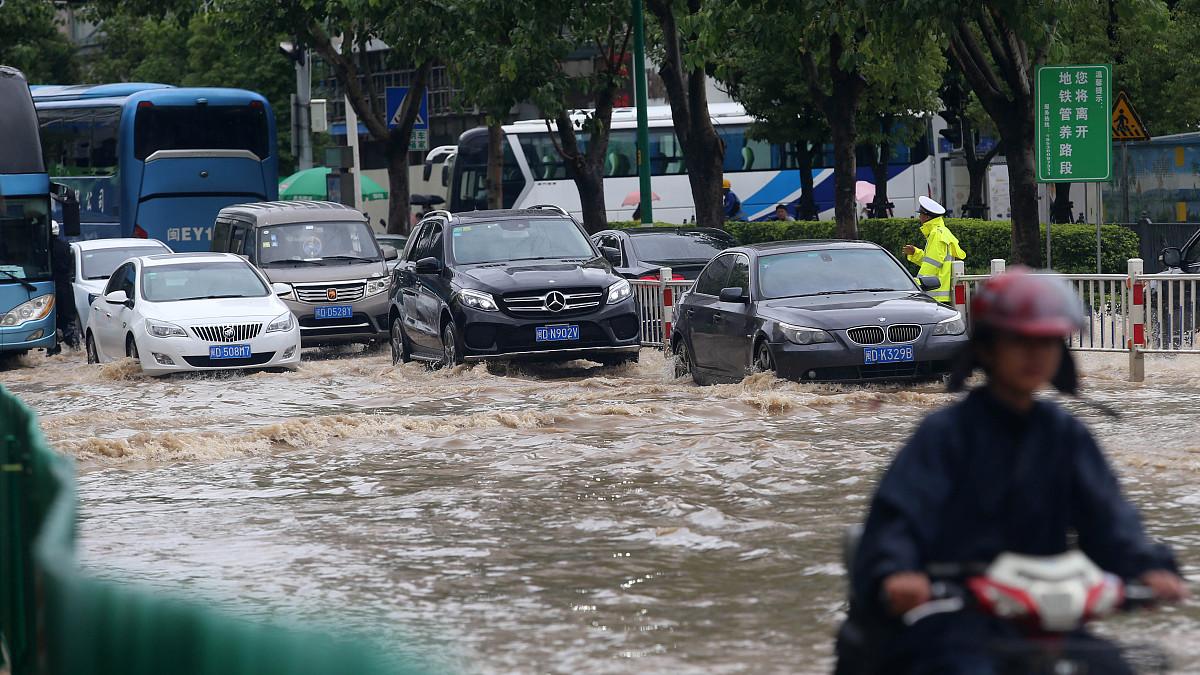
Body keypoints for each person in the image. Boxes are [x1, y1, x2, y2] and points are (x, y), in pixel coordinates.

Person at [837, 269, 1187, 674]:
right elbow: (899, 517)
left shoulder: (1066, 435)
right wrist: (897, 571)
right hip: (955, 619)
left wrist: (1147, 567)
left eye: (1046, 342)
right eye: (1020, 341)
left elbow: (1109, 517)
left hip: (1043, 617)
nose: (1034, 355)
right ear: (987, 348)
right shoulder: (944, 434)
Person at [902, 196, 965, 304]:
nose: (919, 217)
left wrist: (917, 285)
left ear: (927, 217)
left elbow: (932, 265)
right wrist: (915, 253)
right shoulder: (941, 231)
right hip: (939, 295)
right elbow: (932, 260)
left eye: (921, 214)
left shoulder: (936, 234)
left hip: (936, 295)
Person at [48, 220, 78, 354]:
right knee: (68, 320)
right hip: (65, 287)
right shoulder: (66, 246)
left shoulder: (44, 246)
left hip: (51, 287)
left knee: (51, 319)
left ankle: (53, 348)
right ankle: (73, 345)